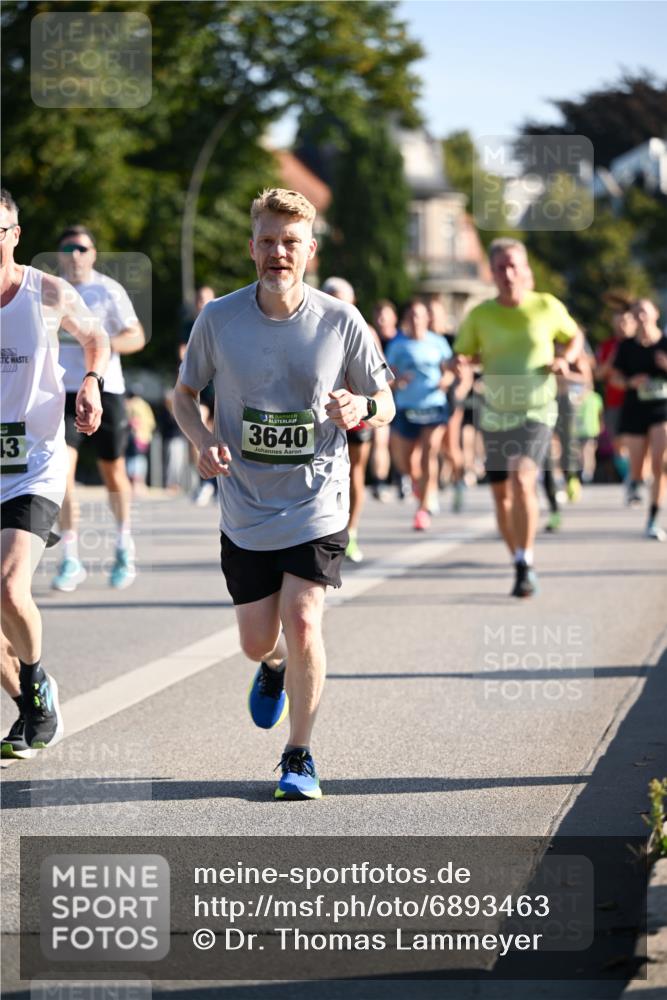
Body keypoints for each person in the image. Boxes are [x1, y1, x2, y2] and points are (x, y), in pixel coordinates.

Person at [173, 188, 394, 799]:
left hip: (318, 498)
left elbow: (386, 401)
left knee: (303, 620)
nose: (278, 252)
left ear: (310, 250)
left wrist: (361, 405)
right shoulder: (219, 319)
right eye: (268, 241)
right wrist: (200, 440)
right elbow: (183, 395)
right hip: (245, 504)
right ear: (252, 248)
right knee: (256, 642)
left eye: (290, 242)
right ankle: (272, 669)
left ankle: (299, 756)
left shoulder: (341, 321)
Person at [1, 189, 109, 758]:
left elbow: (96, 338)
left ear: (14, 235)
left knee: (9, 586)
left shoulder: (44, 292)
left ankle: (36, 679)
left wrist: (90, 382)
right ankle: (32, 705)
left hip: (33, 463)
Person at [454, 238, 583, 597]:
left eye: (514, 266)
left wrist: (565, 358)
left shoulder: (546, 305)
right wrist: (457, 364)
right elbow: (463, 354)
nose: (508, 274)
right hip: (494, 414)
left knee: (523, 477)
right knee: (500, 497)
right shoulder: (480, 315)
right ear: (492, 273)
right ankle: (518, 559)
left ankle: (526, 561)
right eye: (500, 267)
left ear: (525, 270)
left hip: (537, 410)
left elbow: (574, 336)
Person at [51, 225, 145, 592]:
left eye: (81, 248)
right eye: (68, 248)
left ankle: (124, 546)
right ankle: (71, 558)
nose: (75, 254)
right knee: (62, 473)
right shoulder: (48, 290)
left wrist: (99, 342)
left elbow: (136, 335)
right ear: (60, 255)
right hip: (62, 391)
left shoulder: (108, 290)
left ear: (93, 253)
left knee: (113, 473)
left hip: (107, 388)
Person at [385, 299, 454, 530]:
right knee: (406, 462)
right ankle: (419, 484)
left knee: (428, 454)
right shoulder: (398, 345)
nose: (416, 320)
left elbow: (450, 372)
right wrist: (397, 382)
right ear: (407, 319)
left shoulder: (438, 342)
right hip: (407, 407)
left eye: (420, 315)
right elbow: (385, 377)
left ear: (427, 319)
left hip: (434, 404)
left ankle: (423, 509)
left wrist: (446, 380)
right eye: (412, 315)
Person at [321, 276, 373, 563]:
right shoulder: (311, 326)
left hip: (354, 413)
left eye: (342, 298)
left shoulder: (365, 330)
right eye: (331, 297)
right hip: (320, 417)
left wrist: (364, 403)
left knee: (355, 472)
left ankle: (351, 532)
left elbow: (379, 383)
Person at [610, 298, 667, 540]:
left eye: (644, 310)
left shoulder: (665, 343)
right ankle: (634, 481)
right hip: (635, 408)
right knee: (637, 466)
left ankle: (653, 517)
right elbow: (613, 377)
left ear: (655, 313)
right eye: (636, 312)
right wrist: (630, 382)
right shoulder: (626, 347)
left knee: (660, 462)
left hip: (662, 407)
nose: (640, 315)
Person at [595, 294, 637, 486]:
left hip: (639, 402)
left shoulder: (642, 345)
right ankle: (630, 478)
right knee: (619, 445)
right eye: (618, 322)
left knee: (639, 444)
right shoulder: (607, 346)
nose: (622, 326)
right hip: (614, 402)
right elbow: (598, 374)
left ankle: (637, 478)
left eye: (626, 321)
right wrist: (613, 358)